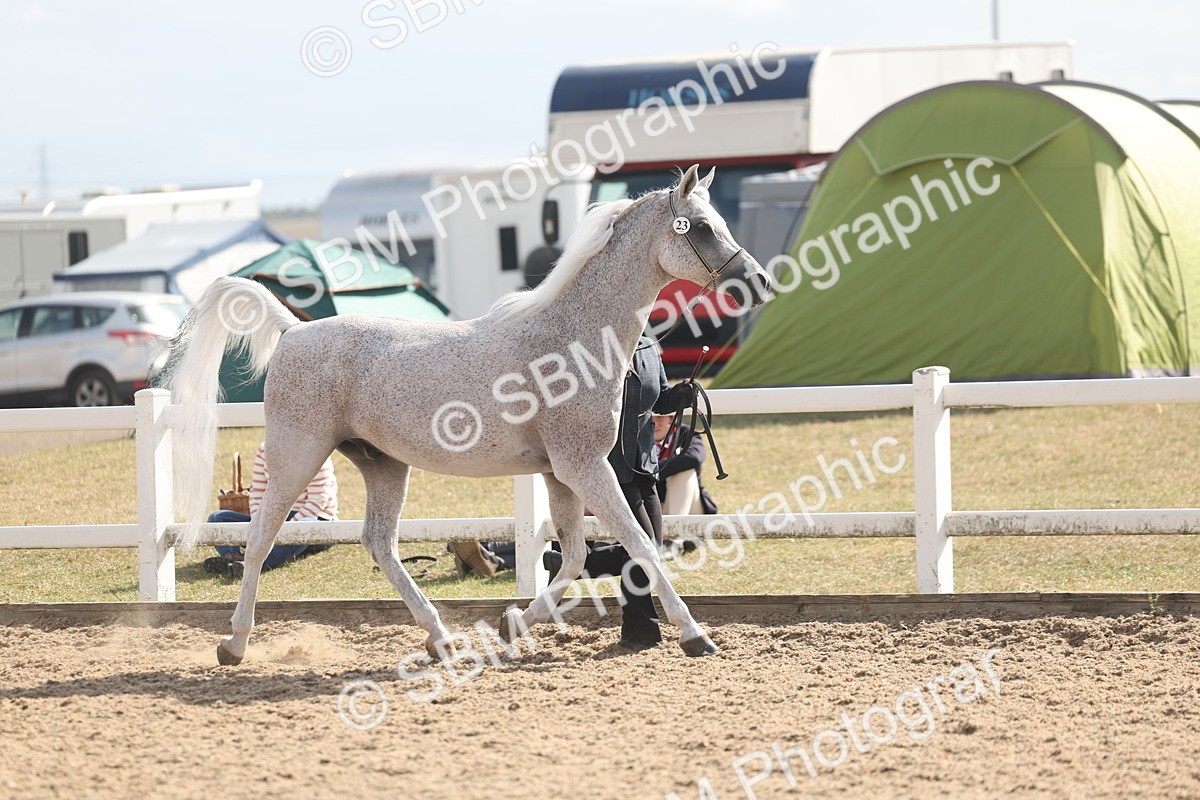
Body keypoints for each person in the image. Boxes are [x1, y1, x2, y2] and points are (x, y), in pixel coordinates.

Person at [543, 332, 695, 650]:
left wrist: (681, 394)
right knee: (641, 551)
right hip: (611, 468)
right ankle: (640, 632)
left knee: (648, 548)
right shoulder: (598, 348)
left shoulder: (651, 347)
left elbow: (660, 398)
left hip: (643, 463)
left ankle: (573, 564)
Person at [203, 442, 338, 577]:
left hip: (313, 519)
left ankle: (252, 565)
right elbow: (257, 493)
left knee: (306, 525)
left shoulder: (317, 451)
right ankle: (232, 558)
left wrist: (279, 531)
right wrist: (259, 525)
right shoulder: (265, 449)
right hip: (272, 519)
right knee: (217, 518)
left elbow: (317, 502)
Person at [653, 413, 718, 517]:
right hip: (650, 506)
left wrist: (651, 472)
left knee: (685, 472)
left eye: (660, 418)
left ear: (672, 418)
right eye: (650, 419)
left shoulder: (686, 433)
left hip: (689, 505)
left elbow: (694, 457)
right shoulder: (635, 437)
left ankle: (675, 526)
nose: (655, 424)